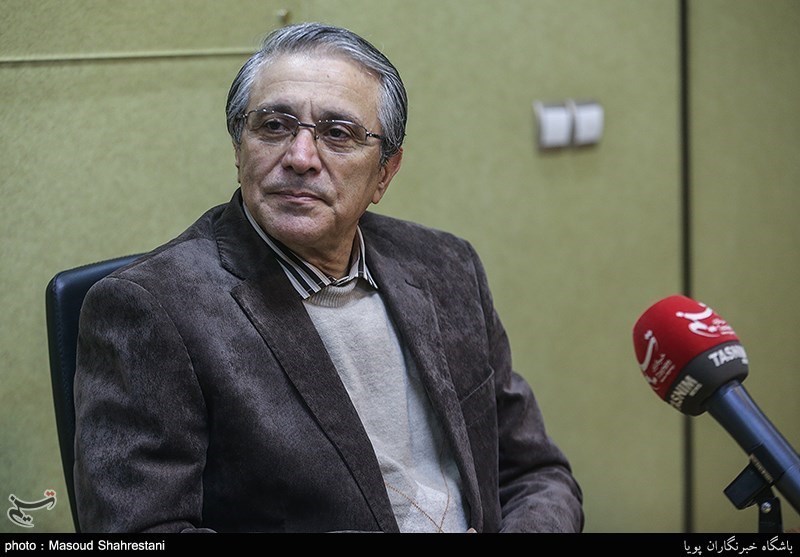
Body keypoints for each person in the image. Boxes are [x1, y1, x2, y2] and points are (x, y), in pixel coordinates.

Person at [73, 21, 584, 534]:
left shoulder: (446, 267)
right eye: (274, 126)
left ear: (385, 173)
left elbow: (537, 474)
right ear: (238, 147)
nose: (300, 157)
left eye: (338, 134)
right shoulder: (151, 309)